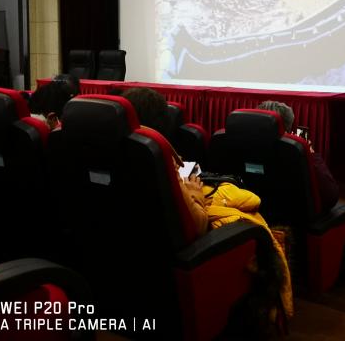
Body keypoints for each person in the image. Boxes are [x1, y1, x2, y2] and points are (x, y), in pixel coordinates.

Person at [122, 88, 293, 327]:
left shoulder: (115, 153)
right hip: (185, 259)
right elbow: (199, 225)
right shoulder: (159, 161)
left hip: (131, 265)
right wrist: (193, 192)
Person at [258, 100, 345, 280]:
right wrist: (311, 155)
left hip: (258, 216)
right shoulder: (296, 153)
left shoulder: (234, 143)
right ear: (287, 126)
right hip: (300, 222)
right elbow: (330, 195)